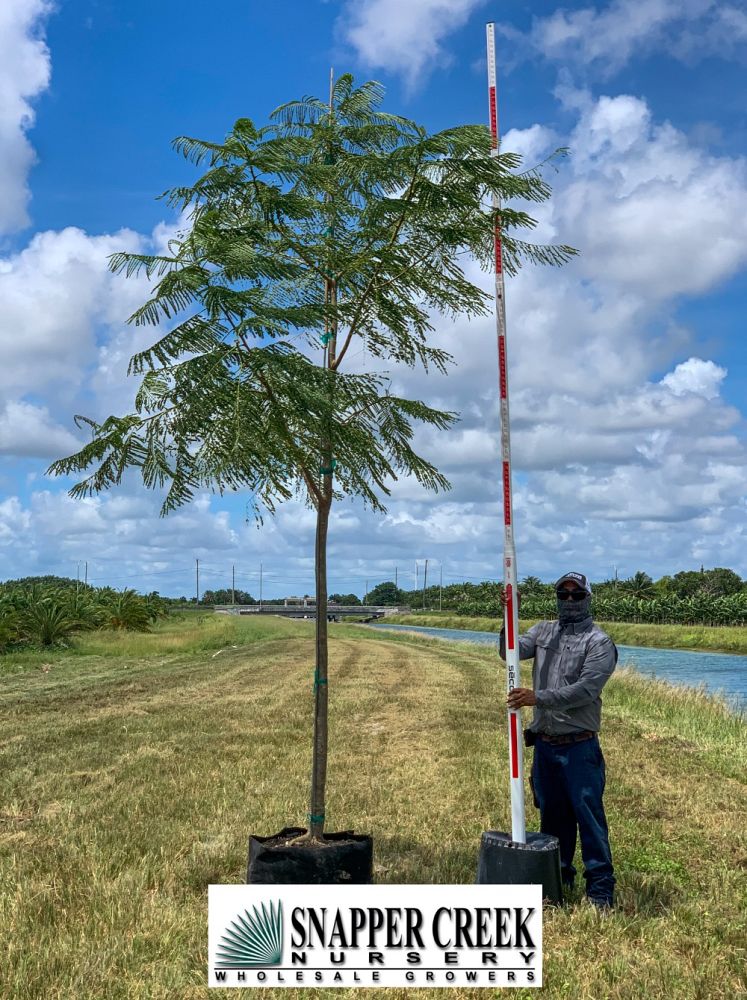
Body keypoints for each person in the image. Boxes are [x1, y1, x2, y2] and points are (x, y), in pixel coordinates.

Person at [499, 572, 618, 909]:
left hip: (579, 747)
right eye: (562, 595)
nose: (569, 600)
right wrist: (509, 617)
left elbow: (586, 690)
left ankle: (600, 892)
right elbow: (508, 652)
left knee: (588, 818)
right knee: (552, 819)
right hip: (546, 746)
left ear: (587, 598)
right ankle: (557, 883)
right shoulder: (542, 631)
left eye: (576, 595)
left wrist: (537, 698)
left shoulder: (599, 642)